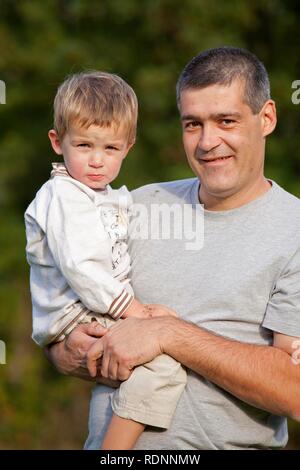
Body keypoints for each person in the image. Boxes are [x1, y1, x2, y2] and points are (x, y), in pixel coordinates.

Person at [47, 47, 300, 450]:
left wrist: (167, 334)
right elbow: (62, 329)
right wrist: (69, 350)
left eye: (226, 121)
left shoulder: (294, 231)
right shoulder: (134, 207)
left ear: (266, 117)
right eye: (192, 124)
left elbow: (295, 390)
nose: (207, 141)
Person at [24, 71, 187, 450]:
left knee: (171, 330)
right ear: (56, 141)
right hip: (76, 314)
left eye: (110, 149)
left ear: (128, 147)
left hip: (98, 307)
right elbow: (84, 269)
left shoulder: (105, 196)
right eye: (83, 145)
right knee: (161, 365)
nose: (96, 161)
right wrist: (138, 312)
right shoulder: (62, 196)